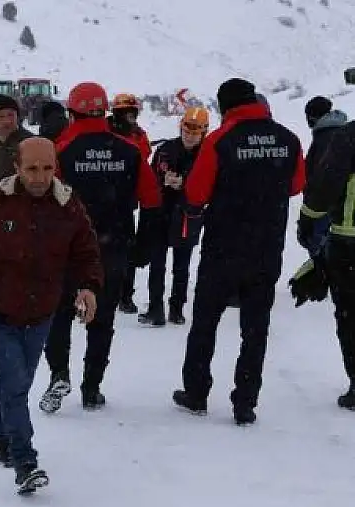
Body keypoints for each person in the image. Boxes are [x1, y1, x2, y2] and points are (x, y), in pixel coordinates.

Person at [0, 137, 103, 494]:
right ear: (17, 168)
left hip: (41, 314)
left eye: (47, 168)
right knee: (16, 385)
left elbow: (87, 253)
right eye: (32, 168)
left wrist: (88, 287)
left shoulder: (68, 207)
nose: (40, 177)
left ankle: (1, 438)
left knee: (15, 385)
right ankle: (25, 461)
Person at [173, 78, 306, 425]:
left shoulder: (219, 141)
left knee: (205, 322)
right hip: (266, 249)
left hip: (223, 248)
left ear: (224, 106)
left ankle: (197, 392)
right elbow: (296, 185)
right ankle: (245, 402)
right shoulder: (288, 139)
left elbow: (196, 193)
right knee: (255, 328)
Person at [39, 81, 161, 413]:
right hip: (112, 246)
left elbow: (43, 203)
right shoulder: (130, 151)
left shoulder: (60, 151)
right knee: (102, 318)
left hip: (66, 248)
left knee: (59, 314)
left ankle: (58, 374)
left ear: (71, 112)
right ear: (104, 111)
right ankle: (92, 388)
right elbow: (152, 202)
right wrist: (144, 246)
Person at [300, 104, 355, 408]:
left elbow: (325, 186)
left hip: (349, 240)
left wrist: (307, 219)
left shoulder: (349, 137)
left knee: (349, 316)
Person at [136, 106, 210, 326]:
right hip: (162, 212)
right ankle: (155, 309)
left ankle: (177, 309)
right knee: (157, 263)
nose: (190, 135)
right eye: (187, 130)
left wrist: (185, 184)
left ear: (203, 132)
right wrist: (163, 182)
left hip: (188, 215)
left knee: (182, 265)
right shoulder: (166, 149)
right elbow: (150, 178)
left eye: (195, 132)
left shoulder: (207, 154)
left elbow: (209, 184)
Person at [107, 92, 153, 314]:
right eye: (125, 113)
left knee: (127, 251)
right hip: (101, 200)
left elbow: (144, 157)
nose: (130, 116)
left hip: (126, 201)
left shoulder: (139, 136)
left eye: (132, 112)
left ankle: (125, 294)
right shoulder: (104, 133)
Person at [297, 96, 348, 255]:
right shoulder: (342, 134)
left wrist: (308, 216)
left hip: (326, 211)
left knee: (323, 254)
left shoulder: (325, 139)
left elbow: (322, 180)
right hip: (343, 210)